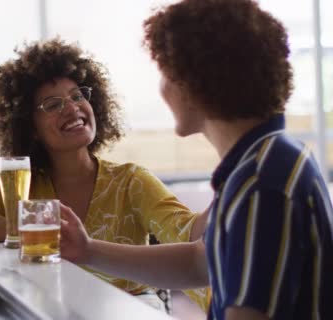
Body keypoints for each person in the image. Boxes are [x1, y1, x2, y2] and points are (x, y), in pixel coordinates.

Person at [60, 1, 333, 319]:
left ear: (194, 84)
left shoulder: (261, 184)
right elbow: (199, 262)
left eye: (165, 73)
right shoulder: (267, 158)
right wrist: (88, 250)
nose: (161, 88)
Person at [0, 39, 210, 312]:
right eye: (52, 105)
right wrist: (30, 226)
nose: (72, 108)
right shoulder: (23, 187)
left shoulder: (130, 182)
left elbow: (188, 233)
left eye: (77, 96)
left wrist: (229, 185)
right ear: (31, 127)